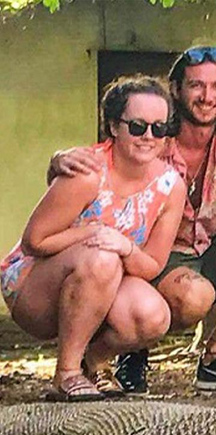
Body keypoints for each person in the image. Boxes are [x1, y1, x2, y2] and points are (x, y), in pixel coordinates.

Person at [49, 46, 216, 392]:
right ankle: (120, 349)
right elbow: (103, 165)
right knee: (195, 298)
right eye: (196, 85)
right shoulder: (151, 133)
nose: (207, 96)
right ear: (177, 89)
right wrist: (59, 160)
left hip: (209, 248)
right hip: (152, 255)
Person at [0, 75, 186, 401]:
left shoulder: (171, 186)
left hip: (104, 282)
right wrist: (93, 233)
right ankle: (66, 374)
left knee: (153, 315)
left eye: (159, 128)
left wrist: (126, 246)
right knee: (101, 258)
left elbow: (152, 264)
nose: (149, 137)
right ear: (115, 126)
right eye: (138, 126)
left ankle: (94, 362)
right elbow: (35, 241)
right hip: (34, 286)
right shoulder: (87, 171)